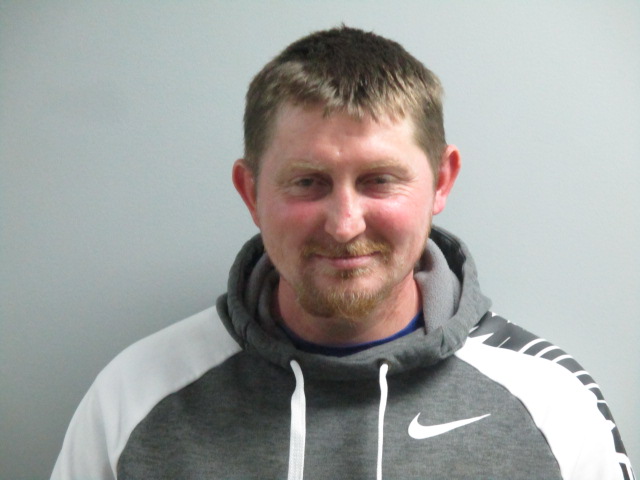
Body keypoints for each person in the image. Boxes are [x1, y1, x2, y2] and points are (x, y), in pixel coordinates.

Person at [51, 26, 634, 480]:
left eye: (380, 180)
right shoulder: (134, 398)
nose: (344, 223)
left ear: (441, 182)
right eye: (308, 182)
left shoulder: (552, 404)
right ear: (251, 193)